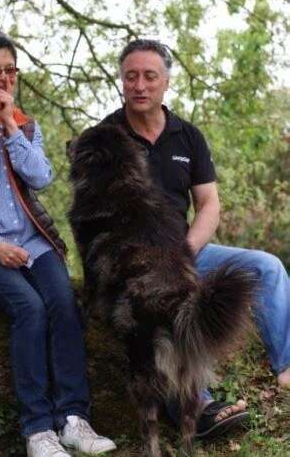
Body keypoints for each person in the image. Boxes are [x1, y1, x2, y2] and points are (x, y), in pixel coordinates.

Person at [0, 31, 117, 457]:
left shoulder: (27, 125)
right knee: (28, 309)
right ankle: (37, 431)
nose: (3, 78)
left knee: (64, 305)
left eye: (9, 70)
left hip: (33, 239)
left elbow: (42, 177)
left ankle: (73, 419)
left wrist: (11, 126)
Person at [102, 38, 290, 439]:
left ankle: (286, 367)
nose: (139, 85)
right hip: (132, 262)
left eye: (149, 76)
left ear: (166, 82)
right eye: (130, 76)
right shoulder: (106, 137)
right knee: (164, 307)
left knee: (267, 267)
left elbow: (209, 205)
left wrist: (186, 251)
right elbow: (95, 216)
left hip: (185, 250)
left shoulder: (188, 136)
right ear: (121, 80)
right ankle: (200, 406)